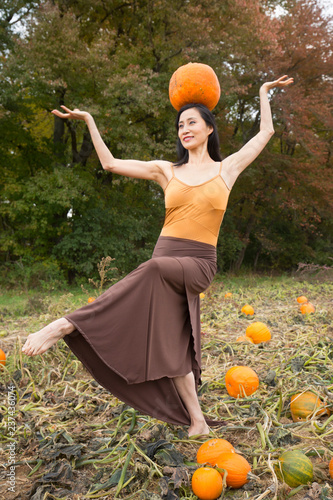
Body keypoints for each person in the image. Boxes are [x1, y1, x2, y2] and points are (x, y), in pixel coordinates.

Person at [22, 75, 293, 436]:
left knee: (154, 269)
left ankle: (67, 324)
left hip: (195, 263)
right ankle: (198, 421)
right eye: (180, 125)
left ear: (209, 128)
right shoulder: (167, 171)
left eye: (191, 122)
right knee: (174, 343)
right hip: (164, 259)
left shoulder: (226, 169)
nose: (184, 129)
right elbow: (110, 164)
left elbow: (265, 134)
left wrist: (262, 93)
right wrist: (89, 121)